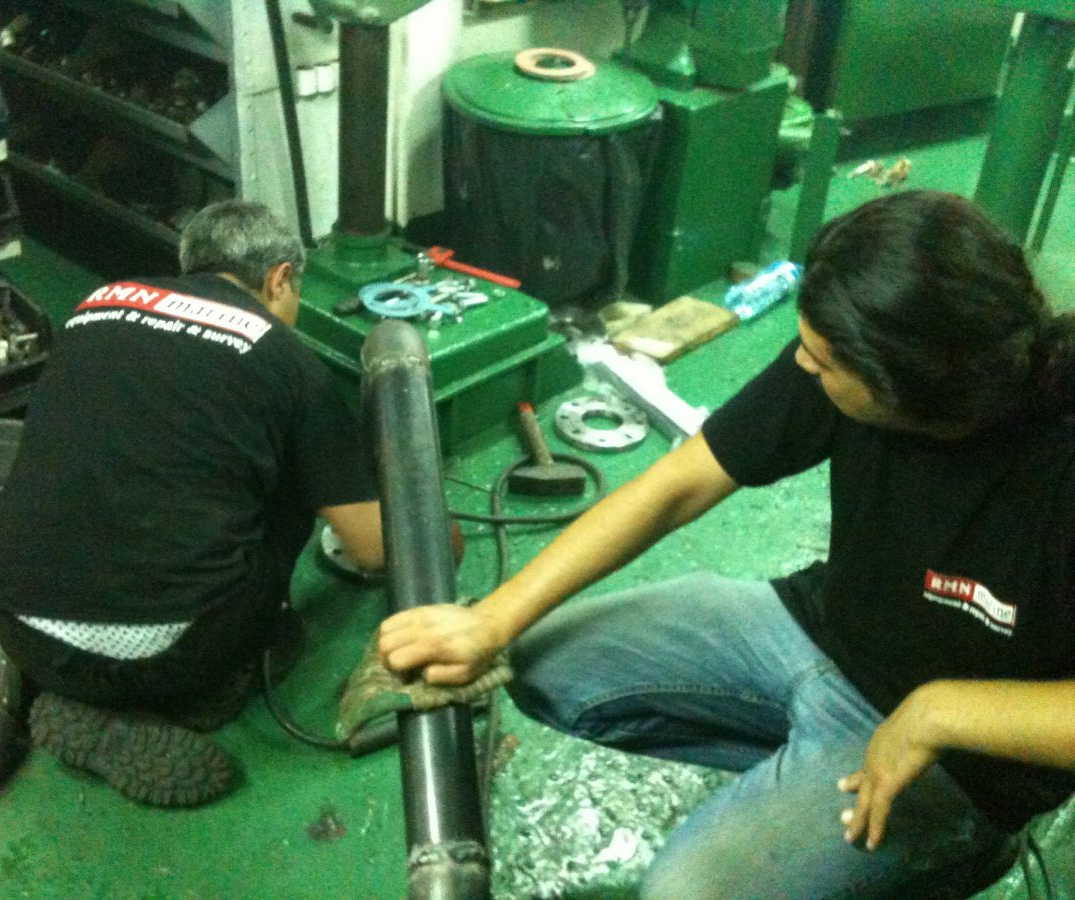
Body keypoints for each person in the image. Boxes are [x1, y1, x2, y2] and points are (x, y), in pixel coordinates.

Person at [377, 190, 1075, 897]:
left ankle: (953, 847)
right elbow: (681, 483)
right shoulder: (854, 352)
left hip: (964, 755)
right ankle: (804, 778)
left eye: (824, 361)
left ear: (906, 386)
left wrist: (937, 713)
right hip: (824, 628)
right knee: (540, 662)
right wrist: (493, 618)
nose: (805, 367)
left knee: (683, 893)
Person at [0, 200, 384, 808]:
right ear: (279, 279)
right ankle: (201, 689)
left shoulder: (97, 303)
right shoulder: (289, 360)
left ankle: (81, 697)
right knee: (293, 478)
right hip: (171, 656)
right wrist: (436, 531)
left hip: (18, 628)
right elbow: (372, 549)